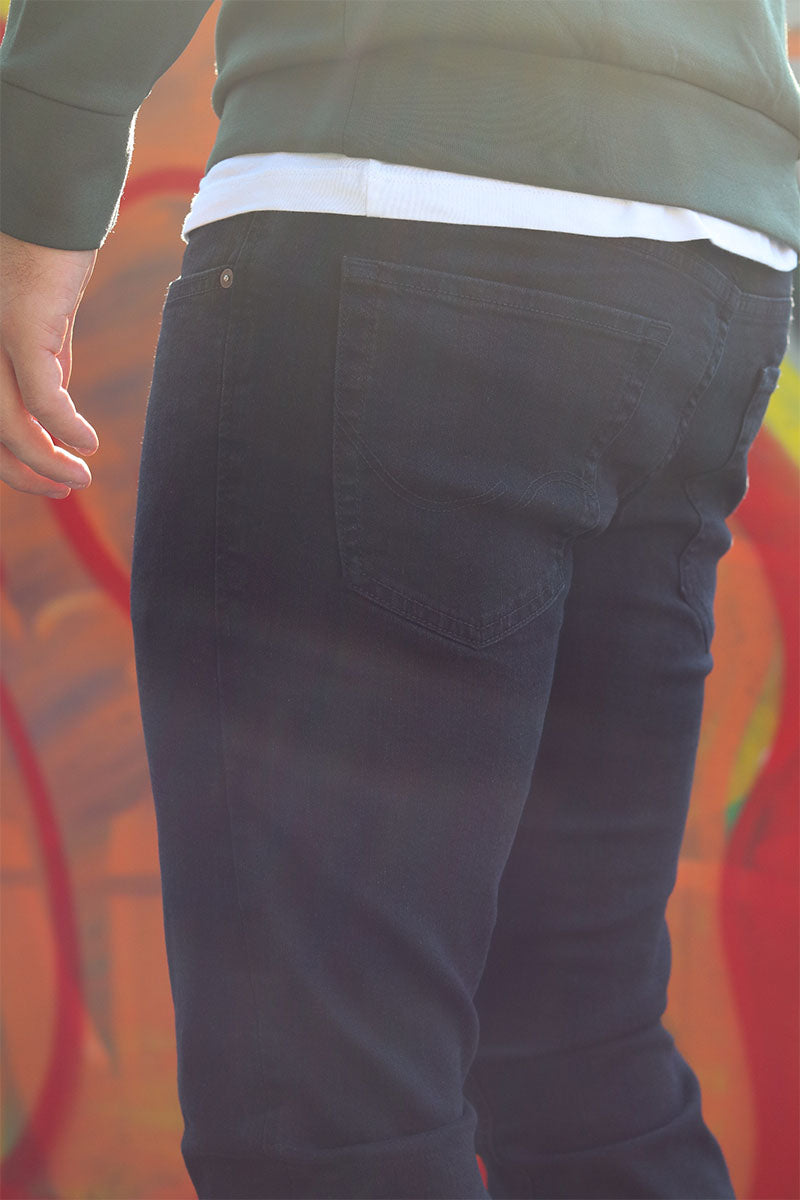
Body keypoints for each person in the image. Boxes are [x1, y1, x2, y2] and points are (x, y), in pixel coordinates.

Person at [1, 3, 797, 1197]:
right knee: (576, 1056)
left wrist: (37, 173)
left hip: (393, 211)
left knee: (319, 1103)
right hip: (706, 255)